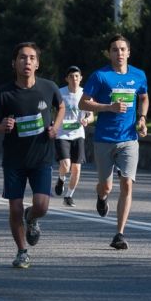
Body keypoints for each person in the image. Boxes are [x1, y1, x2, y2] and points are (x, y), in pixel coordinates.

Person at [0, 43, 64, 268]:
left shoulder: (48, 87)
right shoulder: (4, 92)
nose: (27, 62)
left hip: (41, 157)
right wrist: (2, 125)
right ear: (14, 63)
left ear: (37, 64)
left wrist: (56, 127)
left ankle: (32, 218)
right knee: (15, 208)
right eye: (22, 58)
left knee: (41, 206)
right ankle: (22, 251)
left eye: (32, 58)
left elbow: (60, 107)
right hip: (14, 160)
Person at [79, 34, 149, 251]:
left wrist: (142, 118)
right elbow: (84, 102)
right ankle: (101, 197)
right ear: (109, 53)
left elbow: (144, 97)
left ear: (129, 52)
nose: (119, 53)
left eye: (122, 49)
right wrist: (108, 107)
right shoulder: (100, 76)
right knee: (106, 186)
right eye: (114, 50)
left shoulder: (139, 75)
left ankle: (119, 233)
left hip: (129, 138)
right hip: (104, 139)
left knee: (127, 183)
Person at [54, 66, 91, 207]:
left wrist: (87, 120)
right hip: (62, 134)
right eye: (71, 76)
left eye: (77, 76)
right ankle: (61, 178)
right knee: (66, 165)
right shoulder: (60, 93)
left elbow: (91, 114)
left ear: (81, 78)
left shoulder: (85, 94)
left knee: (76, 168)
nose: (74, 79)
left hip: (78, 134)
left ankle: (69, 196)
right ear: (67, 79)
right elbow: (53, 110)